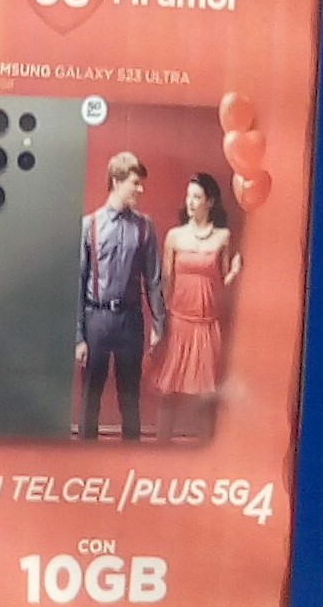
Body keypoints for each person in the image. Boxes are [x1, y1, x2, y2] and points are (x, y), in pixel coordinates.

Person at [77, 151, 165, 441]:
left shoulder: (145, 227)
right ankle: (86, 459)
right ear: (116, 181)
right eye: (135, 183)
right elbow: (78, 282)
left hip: (130, 321)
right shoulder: (89, 225)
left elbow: (153, 279)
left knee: (130, 398)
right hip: (96, 319)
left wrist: (158, 323)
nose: (140, 189)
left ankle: (132, 458)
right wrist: (79, 336)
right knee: (90, 396)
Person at [152, 173, 242, 442]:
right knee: (168, 391)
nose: (190, 202)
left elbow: (222, 282)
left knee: (205, 394)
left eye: (197, 197)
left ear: (210, 201)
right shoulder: (175, 236)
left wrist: (235, 272)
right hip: (178, 322)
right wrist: (160, 322)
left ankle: (205, 453)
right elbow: (166, 281)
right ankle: (160, 449)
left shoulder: (223, 236)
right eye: (188, 196)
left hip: (206, 325)